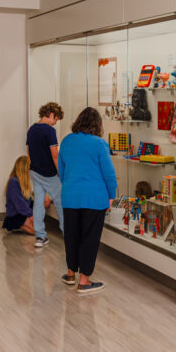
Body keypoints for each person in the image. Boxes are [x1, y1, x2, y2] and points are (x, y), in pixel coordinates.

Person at [58, 106, 116, 294]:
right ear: (97, 125)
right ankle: (84, 281)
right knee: (89, 238)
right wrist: (111, 195)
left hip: (70, 196)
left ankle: (70, 274)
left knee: (71, 236)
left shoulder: (66, 141)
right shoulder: (99, 144)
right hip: (94, 198)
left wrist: (70, 185)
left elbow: (62, 170)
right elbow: (109, 174)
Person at [28, 102, 65, 249]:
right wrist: (60, 172)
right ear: (51, 115)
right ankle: (67, 232)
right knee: (61, 201)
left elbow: (29, 152)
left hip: (35, 171)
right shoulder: (49, 131)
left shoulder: (31, 129)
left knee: (38, 202)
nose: (55, 123)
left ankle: (40, 236)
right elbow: (55, 155)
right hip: (49, 173)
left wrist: (34, 166)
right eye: (56, 119)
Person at [3, 155, 36, 235]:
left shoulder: (23, 182)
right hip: (16, 216)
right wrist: (31, 216)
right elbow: (20, 205)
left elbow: (27, 201)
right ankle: (18, 225)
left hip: (23, 212)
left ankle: (26, 223)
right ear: (24, 169)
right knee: (36, 231)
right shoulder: (14, 182)